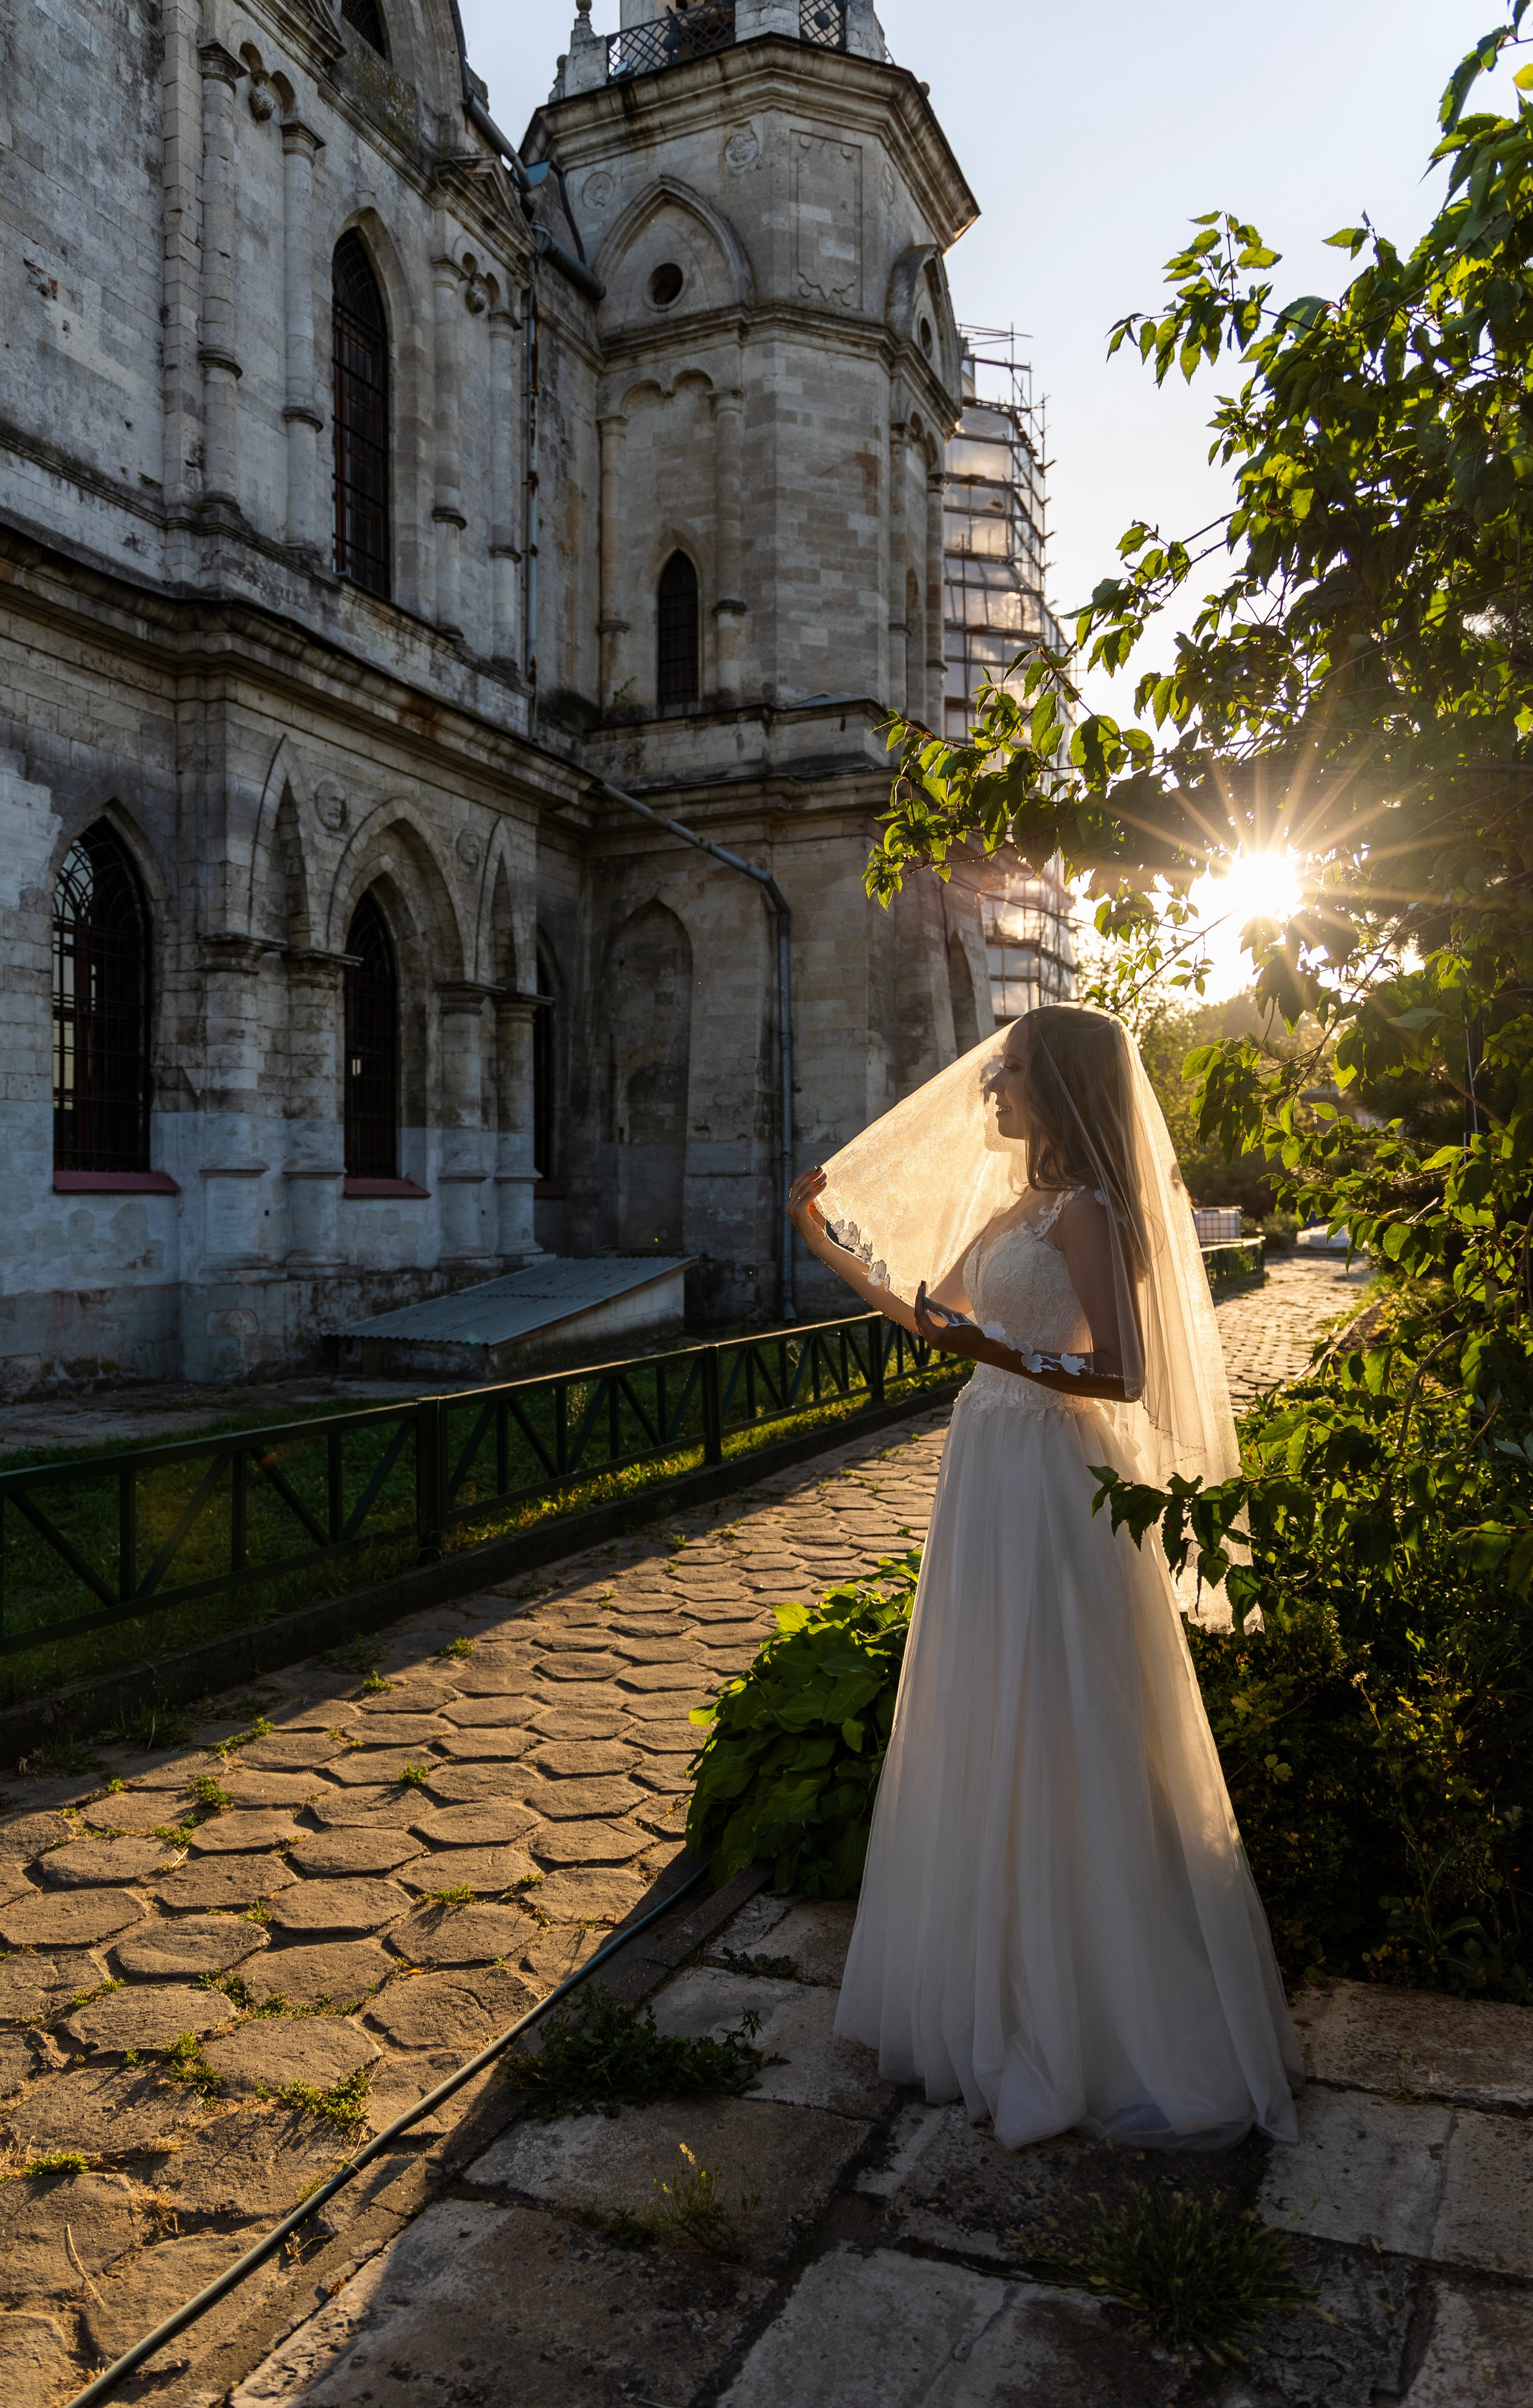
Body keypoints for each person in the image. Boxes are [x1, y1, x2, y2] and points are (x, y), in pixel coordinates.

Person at [786, 1004, 1301, 2150]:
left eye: (1011, 1074)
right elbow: (937, 1324)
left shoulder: (1091, 1214)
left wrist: (1000, 1354)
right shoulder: (1014, 1208)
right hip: (987, 1468)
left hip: (1057, 1475)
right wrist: (824, 1243)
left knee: (1068, 1718)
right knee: (983, 1704)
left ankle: (1092, 2003)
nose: (992, 1092)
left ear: (1062, 1089)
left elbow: (1119, 1375)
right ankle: (993, 1980)